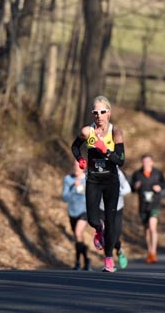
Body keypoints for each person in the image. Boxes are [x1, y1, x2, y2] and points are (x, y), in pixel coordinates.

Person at [71, 95, 125, 273]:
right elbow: (75, 146)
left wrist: (106, 151)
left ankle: (109, 259)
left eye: (102, 112)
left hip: (111, 181)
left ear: (109, 113)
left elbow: (121, 161)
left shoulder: (115, 132)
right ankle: (98, 228)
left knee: (111, 222)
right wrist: (80, 159)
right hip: (93, 180)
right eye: (95, 112)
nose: (99, 115)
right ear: (92, 114)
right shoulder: (88, 132)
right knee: (94, 219)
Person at [131, 154, 165, 264]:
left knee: (152, 227)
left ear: (152, 162)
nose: (146, 163)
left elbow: (164, 183)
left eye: (148, 161)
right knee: (146, 229)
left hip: (155, 203)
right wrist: (135, 186)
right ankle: (149, 251)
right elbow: (131, 187)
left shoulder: (157, 173)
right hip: (143, 205)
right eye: (144, 162)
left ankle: (153, 252)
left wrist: (160, 187)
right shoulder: (137, 174)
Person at [62, 160, 91, 271]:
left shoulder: (88, 179)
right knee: (78, 237)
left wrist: (81, 188)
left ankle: (77, 262)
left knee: (79, 233)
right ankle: (86, 259)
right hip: (72, 212)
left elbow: (90, 195)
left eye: (79, 166)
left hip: (84, 211)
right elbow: (64, 198)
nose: (76, 168)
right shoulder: (68, 179)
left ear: (84, 167)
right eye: (74, 166)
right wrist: (73, 188)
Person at [100, 167, 131, 270]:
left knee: (115, 235)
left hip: (117, 208)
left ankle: (119, 250)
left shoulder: (117, 171)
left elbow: (127, 188)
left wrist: (115, 193)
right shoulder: (95, 169)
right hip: (102, 207)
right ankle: (109, 261)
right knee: (105, 235)